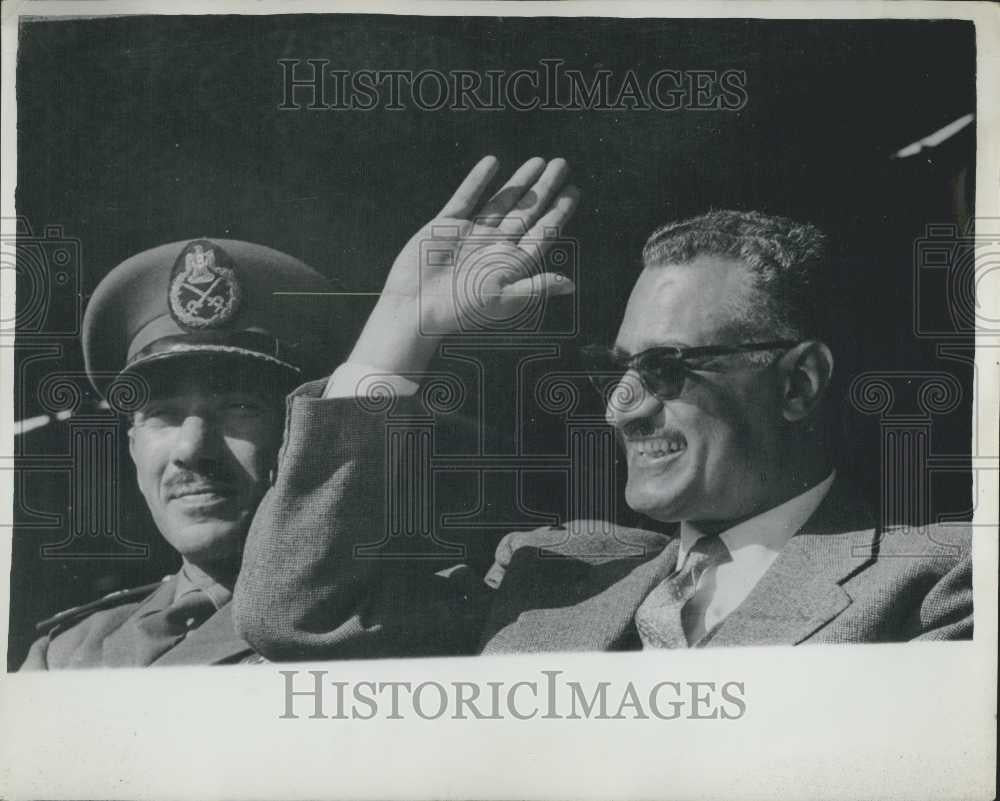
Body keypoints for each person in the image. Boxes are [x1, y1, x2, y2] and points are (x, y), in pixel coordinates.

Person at [233, 158, 972, 658]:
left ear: (799, 384)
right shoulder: (546, 576)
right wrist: (400, 331)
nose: (621, 409)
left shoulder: (939, 580)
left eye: (665, 367)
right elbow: (293, 614)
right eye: (616, 370)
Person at [21, 238, 339, 668]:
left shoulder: (379, 625)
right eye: (163, 415)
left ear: (302, 432)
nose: (191, 450)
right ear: (133, 446)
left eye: (239, 409)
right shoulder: (65, 655)